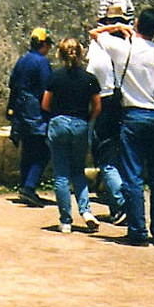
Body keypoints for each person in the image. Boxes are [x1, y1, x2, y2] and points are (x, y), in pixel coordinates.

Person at [114, 7, 154, 246]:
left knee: (133, 175)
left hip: (132, 115)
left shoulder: (125, 49)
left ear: (137, 23)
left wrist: (117, 27)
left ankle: (137, 230)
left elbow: (95, 35)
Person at [41, 38, 103, 233]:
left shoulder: (55, 77)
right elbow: (97, 106)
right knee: (78, 171)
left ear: (60, 54)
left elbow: (45, 103)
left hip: (59, 123)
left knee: (61, 174)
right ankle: (85, 211)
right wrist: (88, 120)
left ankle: (66, 220)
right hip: (80, 124)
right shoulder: (89, 78)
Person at [86, 12, 130, 224]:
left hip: (103, 103)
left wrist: (106, 29)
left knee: (105, 158)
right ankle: (121, 200)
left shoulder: (98, 54)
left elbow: (94, 33)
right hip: (120, 104)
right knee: (116, 156)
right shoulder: (127, 48)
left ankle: (121, 204)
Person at [7, 27, 52, 206]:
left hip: (21, 110)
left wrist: (11, 109)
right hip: (35, 112)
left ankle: (24, 185)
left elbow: (13, 85)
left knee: (27, 151)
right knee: (42, 151)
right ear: (43, 44)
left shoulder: (22, 60)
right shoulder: (42, 63)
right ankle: (29, 187)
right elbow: (46, 88)